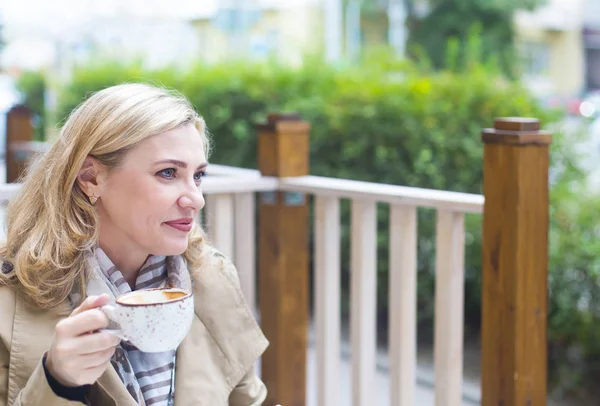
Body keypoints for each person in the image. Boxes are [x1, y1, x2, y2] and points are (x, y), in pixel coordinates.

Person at [0, 83, 269, 405]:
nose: (196, 199)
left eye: (198, 176)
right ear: (90, 177)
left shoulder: (212, 276)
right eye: (168, 173)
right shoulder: (10, 295)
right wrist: (58, 381)